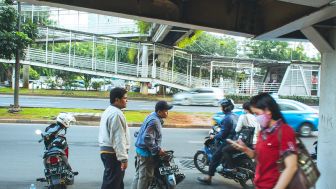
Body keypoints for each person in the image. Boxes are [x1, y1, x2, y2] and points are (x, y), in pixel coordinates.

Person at [229, 93, 298, 189]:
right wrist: (244, 149)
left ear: (268, 110)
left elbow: (291, 167)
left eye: (257, 114)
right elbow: (257, 156)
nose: (256, 117)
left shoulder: (284, 131)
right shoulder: (264, 132)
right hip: (260, 184)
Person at [132, 101, 173, 189]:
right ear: (159, 112)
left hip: (140, 150)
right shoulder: (155, 121)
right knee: (145, 178)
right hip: (146, 154)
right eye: (166, 111)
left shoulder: (152, 115)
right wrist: (158, 150)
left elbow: (142, 131)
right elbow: (147, 138)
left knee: (139, 174)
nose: (167, 113)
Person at [197, 99, 238, 185]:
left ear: (225, 108)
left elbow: (222, 134)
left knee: (215, 157)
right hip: (236, 139)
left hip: (228, 140)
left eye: (222, 106)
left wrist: (214, 136)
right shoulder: (234, 116)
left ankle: (208, 178)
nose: (221, 108)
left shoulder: (227, 118)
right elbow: (224, 127)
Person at [98, 87, 130, 189]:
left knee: (117, 183)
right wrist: (123, 159)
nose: (127, 100)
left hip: (107, 152)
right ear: (117, 99)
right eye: (125, 98)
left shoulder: (109, 110)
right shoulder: (116, 114)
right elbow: (118, 138)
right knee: (112, 184)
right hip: (114, 154)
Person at [220, 101, 261, 172]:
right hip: (254, 143)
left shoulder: (243, 116)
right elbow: (259, 130)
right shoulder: (257, 118)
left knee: (225, 150)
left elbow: (237, 129)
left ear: (246, 109)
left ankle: (231, 167)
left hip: (245, 142)